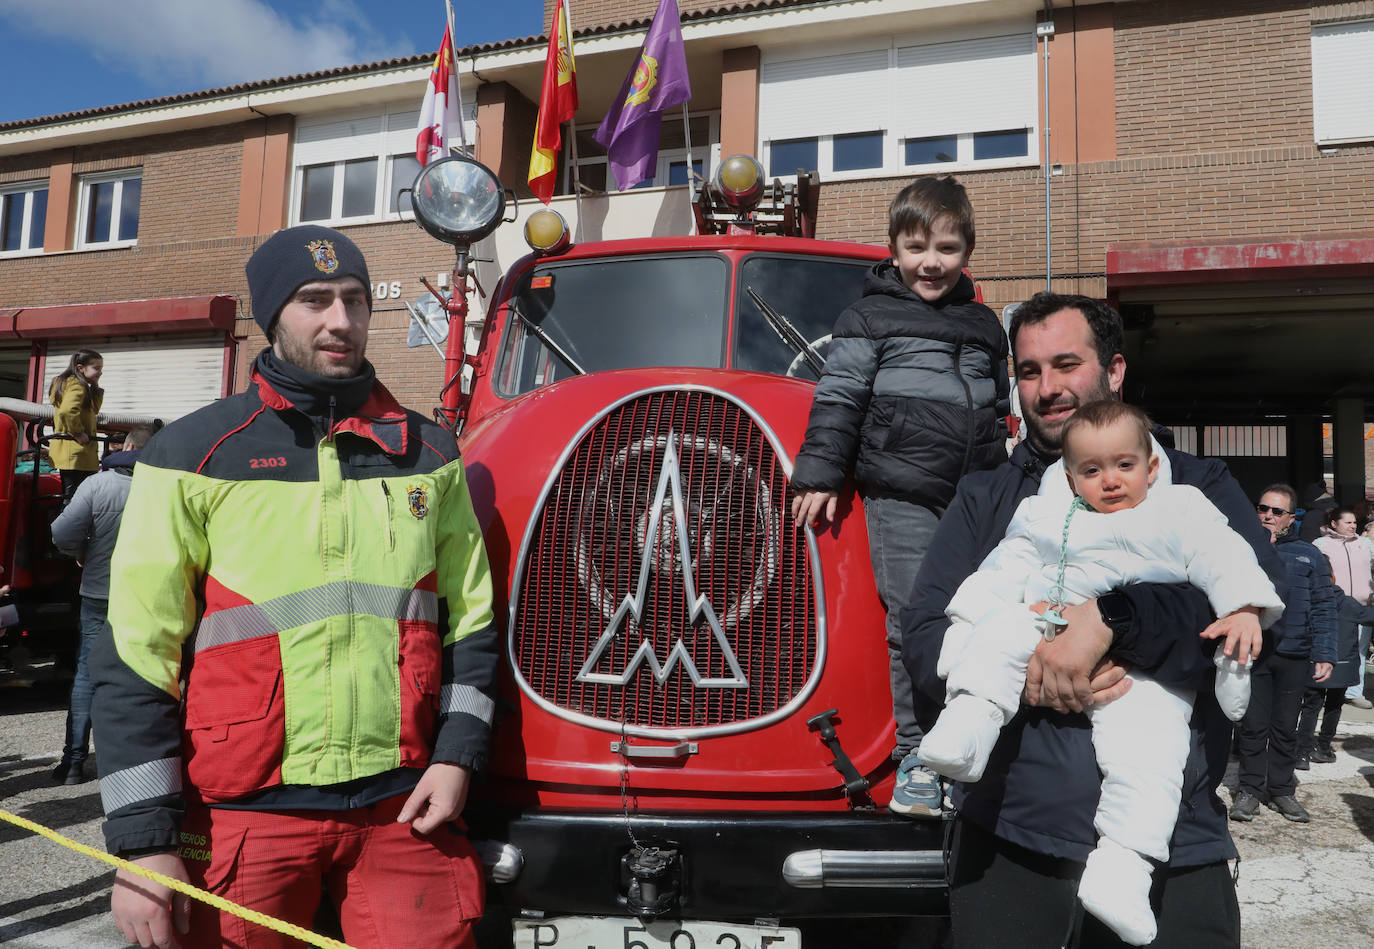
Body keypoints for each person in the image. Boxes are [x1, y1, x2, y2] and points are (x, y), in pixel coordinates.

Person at [90, 225, 498, 949]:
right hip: (245, 815)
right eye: (314, 301)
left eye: (355, 300)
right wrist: (143, 841)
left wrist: (457, 754)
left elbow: (470, 621)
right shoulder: (191, 454)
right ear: (273, 316)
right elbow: (134, 657)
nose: (341, 321)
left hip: (404, 808)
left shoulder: (431, 454)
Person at [902, 291, 1286, 949]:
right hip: (1010, 837)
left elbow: (1256, 621)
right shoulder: (988, 495)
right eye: (1028, 370)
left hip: (1174, 839)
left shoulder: (1195, 484)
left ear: (1114, 371)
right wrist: (1034, 670)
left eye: (1065, 363)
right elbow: (927, 635)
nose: (1046, 388)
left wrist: (1114, 619)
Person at [789, 175, 1009, 817]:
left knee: (977, 618)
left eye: (946, 247)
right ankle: (919, 755)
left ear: (967, 251)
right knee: (915, 623)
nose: (931, 262)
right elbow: (840, 396)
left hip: (973, 497)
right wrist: (821, 473)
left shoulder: (983, 324)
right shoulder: (867, 316)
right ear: (893, 248)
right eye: (917, 247)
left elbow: (997, 405)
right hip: (901, 492)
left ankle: (975, 746)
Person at [48, 425, 154, 786]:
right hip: (147, 598)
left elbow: (62, 533)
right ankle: (131, 767)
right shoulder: (162, 488)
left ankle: (74, 763)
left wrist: (80, 552)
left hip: (99, 594)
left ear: (126, 446)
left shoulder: (98, 484)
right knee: (144, 677)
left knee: (88, 674)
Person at [1228, 485, 1336, 825]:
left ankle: (1281, 789)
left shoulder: (1309, 554)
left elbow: (1323, 605)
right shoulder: (1238, 548)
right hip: (1254, 651)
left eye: (1277, 512)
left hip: (1295, 652)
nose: (1268, 516)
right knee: (1253, 726)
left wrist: (1325, 653)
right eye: (1263, 509)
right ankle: (1249, 790)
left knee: (1286, 727)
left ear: (1290, 518)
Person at [1296, 594, 1374, 768]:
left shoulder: (1310, 599)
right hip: (1342, 665)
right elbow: (1370, 617)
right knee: (1334, 706)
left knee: (1310, 707)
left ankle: (1302, 753)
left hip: (1315, 661)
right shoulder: (1348, 603)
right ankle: (1323, 748)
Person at [1313, 506, 1374, 709]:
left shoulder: (1365, 543)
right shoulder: (1320, 544)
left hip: (1361, 606)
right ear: (1334, 523)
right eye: (1347, 522)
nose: (1353, 526)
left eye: (1355, 522)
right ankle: (1324, 688)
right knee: (1330, 647)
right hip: (1332, 606)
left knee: (1359, 650)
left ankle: (1353, 691)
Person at [48, 349, 105, 503]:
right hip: (77, 454)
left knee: (71, 496)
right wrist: (78, 433)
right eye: (96, 368)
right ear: (80, 368)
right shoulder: (77, 385)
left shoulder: (68, 384)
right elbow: (67, 411)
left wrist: (95, 386)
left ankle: (65, 524)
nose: (100, 372)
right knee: (77, 499)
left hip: (71, 454)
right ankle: (68, 526)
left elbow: (94, 410)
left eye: (101, 368)